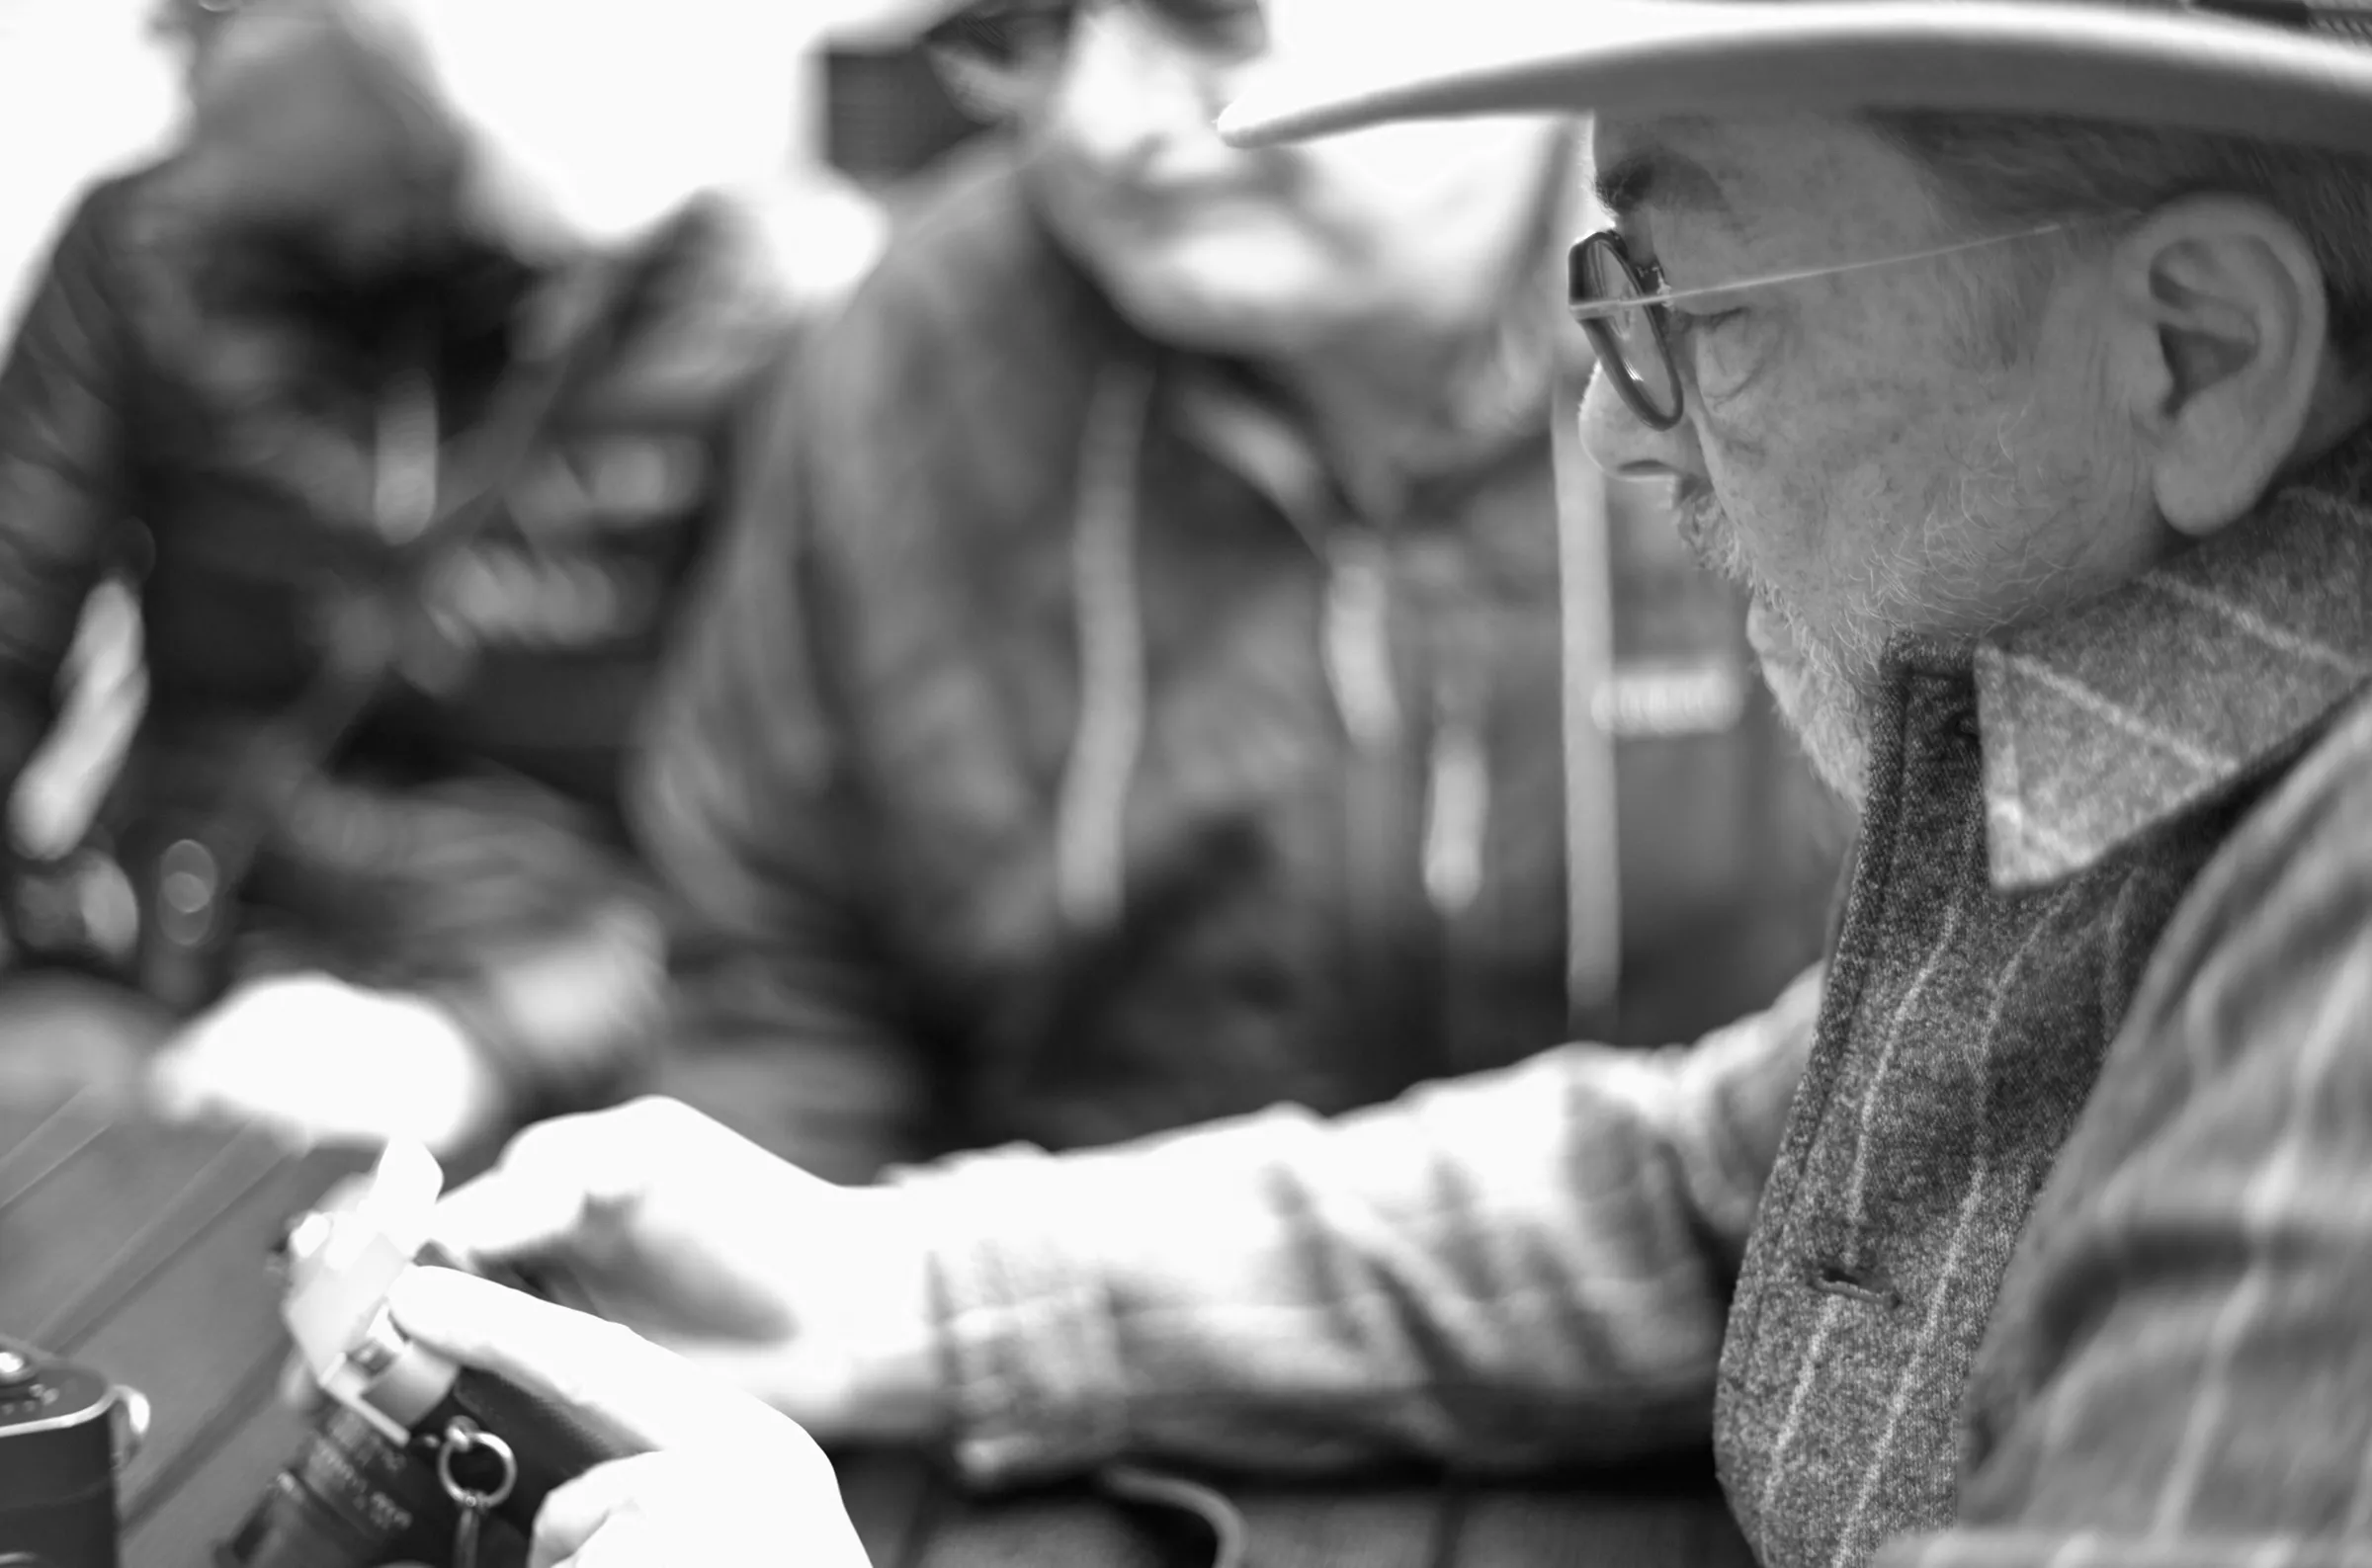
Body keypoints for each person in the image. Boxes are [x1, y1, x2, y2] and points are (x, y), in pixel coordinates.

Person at [324, 0, 2372, 1563]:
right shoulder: (2074, 741)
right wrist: (883, 1277)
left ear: (2195, 348)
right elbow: (1695, 1195)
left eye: (1693, 307)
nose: (1604, 424)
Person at [627, 0, 1847, 1181]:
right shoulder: (914, 359)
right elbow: (778, 981)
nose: (1096, 122)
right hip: (1035, 1341)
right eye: (1023, 29)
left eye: (1209, 15)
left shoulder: (1826, 295)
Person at [0, 0, 885, 1153]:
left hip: (570, 1017)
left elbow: (801, 862)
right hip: (175, 959)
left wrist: (484, 1040)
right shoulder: (154, 240)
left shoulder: (773, 306)